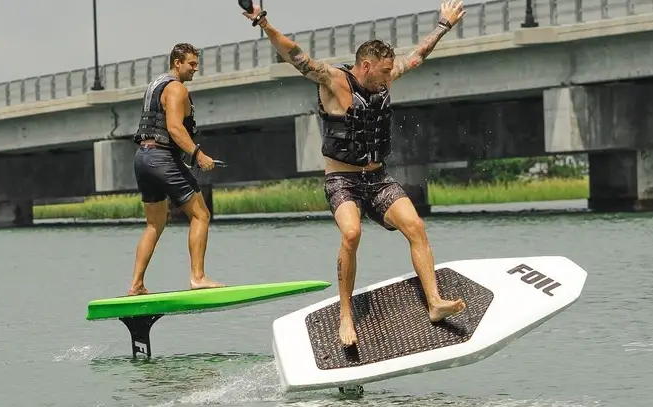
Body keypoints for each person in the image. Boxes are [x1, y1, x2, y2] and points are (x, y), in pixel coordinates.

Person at [241, 1, 468, 346]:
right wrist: (263, 22)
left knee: (416, 226)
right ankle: (346, 316)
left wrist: (443, 25)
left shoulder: (383, 81)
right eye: (384, 71)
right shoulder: (333, 80)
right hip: (342, 181)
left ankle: (434, 302)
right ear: (366, 66)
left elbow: (419, 54)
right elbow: (296, 55)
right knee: (351, 233)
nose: (389, 77)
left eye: (391, 71)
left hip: (377, 179)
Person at [128, 42, 224, 295]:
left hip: (143, 158)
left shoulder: (155, 84)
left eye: (196, 64)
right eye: (191, 64)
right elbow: (174, 128)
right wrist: (198, 155)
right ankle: (198, 277)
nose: (195, 69)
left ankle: (136, 285)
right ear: (177, 63)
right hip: (162, 158)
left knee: (154, 224)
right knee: (201, 215)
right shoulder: (176, 88)